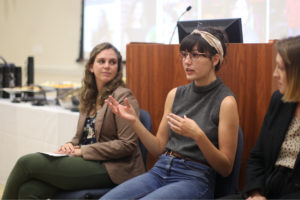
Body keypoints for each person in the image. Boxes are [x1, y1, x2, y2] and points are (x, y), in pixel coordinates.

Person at [101, 27, 239, 199]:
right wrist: (134, 121)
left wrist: (198, 135)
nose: (187, 62)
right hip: (161, 169)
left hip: (195, 177)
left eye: (195, 55)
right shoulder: (175, 94)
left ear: (215, 59)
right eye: (184, 55)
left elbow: (225, 169)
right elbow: (158, 148)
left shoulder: (226, 102)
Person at [2, 42, 145, 199]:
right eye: (101, 61)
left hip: (114, 167)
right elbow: (82, 137)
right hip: (87, 160)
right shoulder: (89, 96)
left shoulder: (123, 96)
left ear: (118, 68)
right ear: (91, 67)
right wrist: (70, 144)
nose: (107, 66)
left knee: (26, 163)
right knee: (29, 190)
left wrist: (82, 150)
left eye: (112, 62)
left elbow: (127, 145)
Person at [240, 35, 300, 199]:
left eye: (281, 68)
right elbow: (257, 157)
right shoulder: (279, 100)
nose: (274, 74)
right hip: (264, 189)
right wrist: (256, 192)